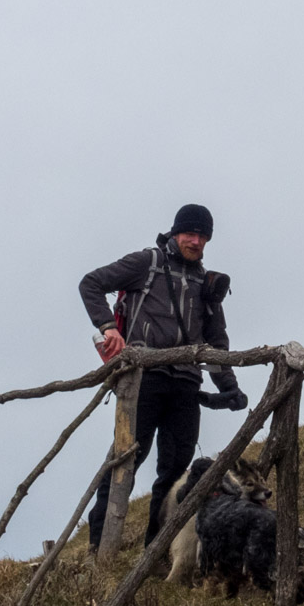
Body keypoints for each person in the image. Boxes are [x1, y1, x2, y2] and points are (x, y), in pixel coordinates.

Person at [79, 204, 248, 550]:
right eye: (190, 233)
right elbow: (91, 284)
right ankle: (99, 550)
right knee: (125, 460)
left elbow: (215, 343)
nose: (196, 240)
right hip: (144, 378)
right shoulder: (147, 263)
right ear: (175, 233)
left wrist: (228, 387)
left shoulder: (207, 282)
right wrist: (108, 327)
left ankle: (154, 552)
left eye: (202, 236)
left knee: (175, 469)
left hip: (186, 384)